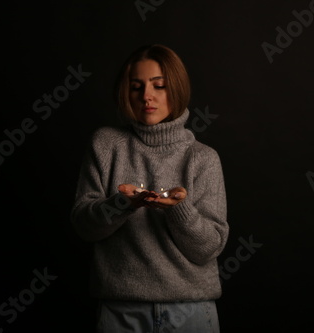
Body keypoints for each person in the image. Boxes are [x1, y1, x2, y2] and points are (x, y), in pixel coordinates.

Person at [71, 44, 229, 332]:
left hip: (191, 312)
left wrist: (179, 210)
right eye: (136, 86)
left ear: (177, 90)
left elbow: (208, 248)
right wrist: (122, 204)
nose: (147, 96)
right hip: (121, 310)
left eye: (159, 86)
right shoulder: (106, 145)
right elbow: (84, 226)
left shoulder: (203, 158)